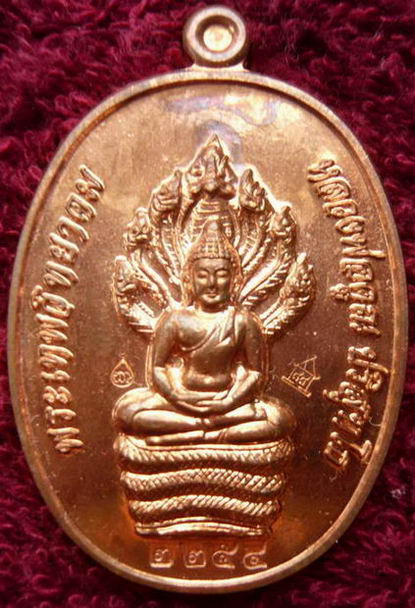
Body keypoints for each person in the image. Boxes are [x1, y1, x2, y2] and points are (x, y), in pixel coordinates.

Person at [113, 221, 295, 445]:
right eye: (202, 275)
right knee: (126, 413)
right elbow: (158, 368)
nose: (212, 283)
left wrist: (228, 401)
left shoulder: (243, 321)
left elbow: (255, 372)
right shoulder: (175, 320)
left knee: (280, 419)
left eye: (221, 275)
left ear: (234, 280)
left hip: (228, 402)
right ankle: (207, 431)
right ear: (189, 279)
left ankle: (193, 435)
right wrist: (178, 396)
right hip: (182, 401)